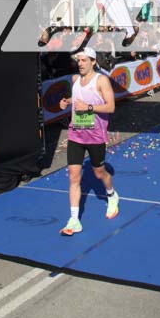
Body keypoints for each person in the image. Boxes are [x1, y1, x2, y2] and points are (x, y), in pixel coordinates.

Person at [57, 47, 118, 236]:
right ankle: (74, 220)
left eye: (84, 60)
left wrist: (89, 107)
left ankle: (111, 195)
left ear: (93, 61)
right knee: (74, 177)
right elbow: (78, 98)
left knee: (99, 173)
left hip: (95, 136)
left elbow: (111, 107)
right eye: (79, 60)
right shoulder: (75, 79)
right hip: (76, 135)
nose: (80, 63)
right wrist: (67, 101)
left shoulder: (101, 80)